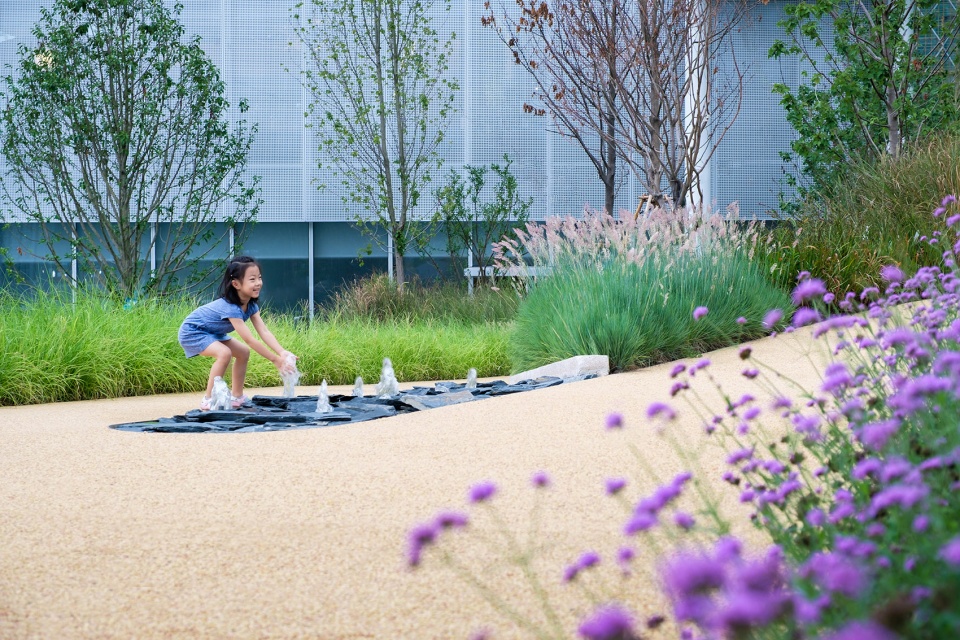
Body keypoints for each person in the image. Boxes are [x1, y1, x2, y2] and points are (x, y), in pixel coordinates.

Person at [178, 256, 296, 410]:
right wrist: (275, 360)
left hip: (213, 333)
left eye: (259, 278)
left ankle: (237, 397)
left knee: (243, 352)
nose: (258, 283)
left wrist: (282, 352)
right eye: (252, 279)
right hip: (193, 332)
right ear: (236, 284)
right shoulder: (231, 308)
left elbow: (264, 331)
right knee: (224, 353)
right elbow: (250, 339)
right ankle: (208, 399)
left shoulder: (251, 305)